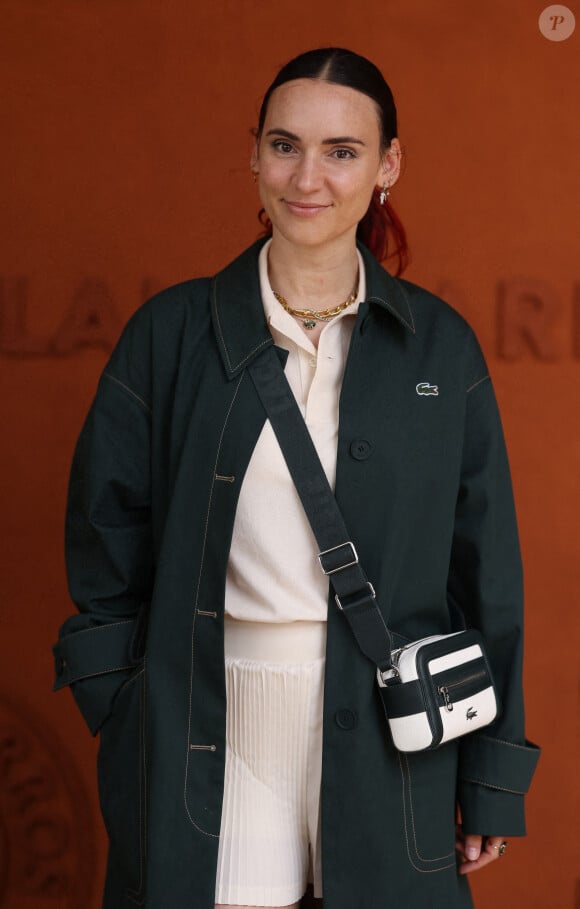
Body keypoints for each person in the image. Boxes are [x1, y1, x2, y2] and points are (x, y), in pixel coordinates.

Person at [53, 47, 540, 909]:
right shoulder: (169, 336)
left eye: (342, 151)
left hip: (394, 745)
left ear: (387, 165)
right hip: (210, 726)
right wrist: (126, 711)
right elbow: (104, 539)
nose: (307, 176)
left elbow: (486, 573)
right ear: (253, 155)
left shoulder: (442, 348)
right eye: (284, 145)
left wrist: (493, 771)